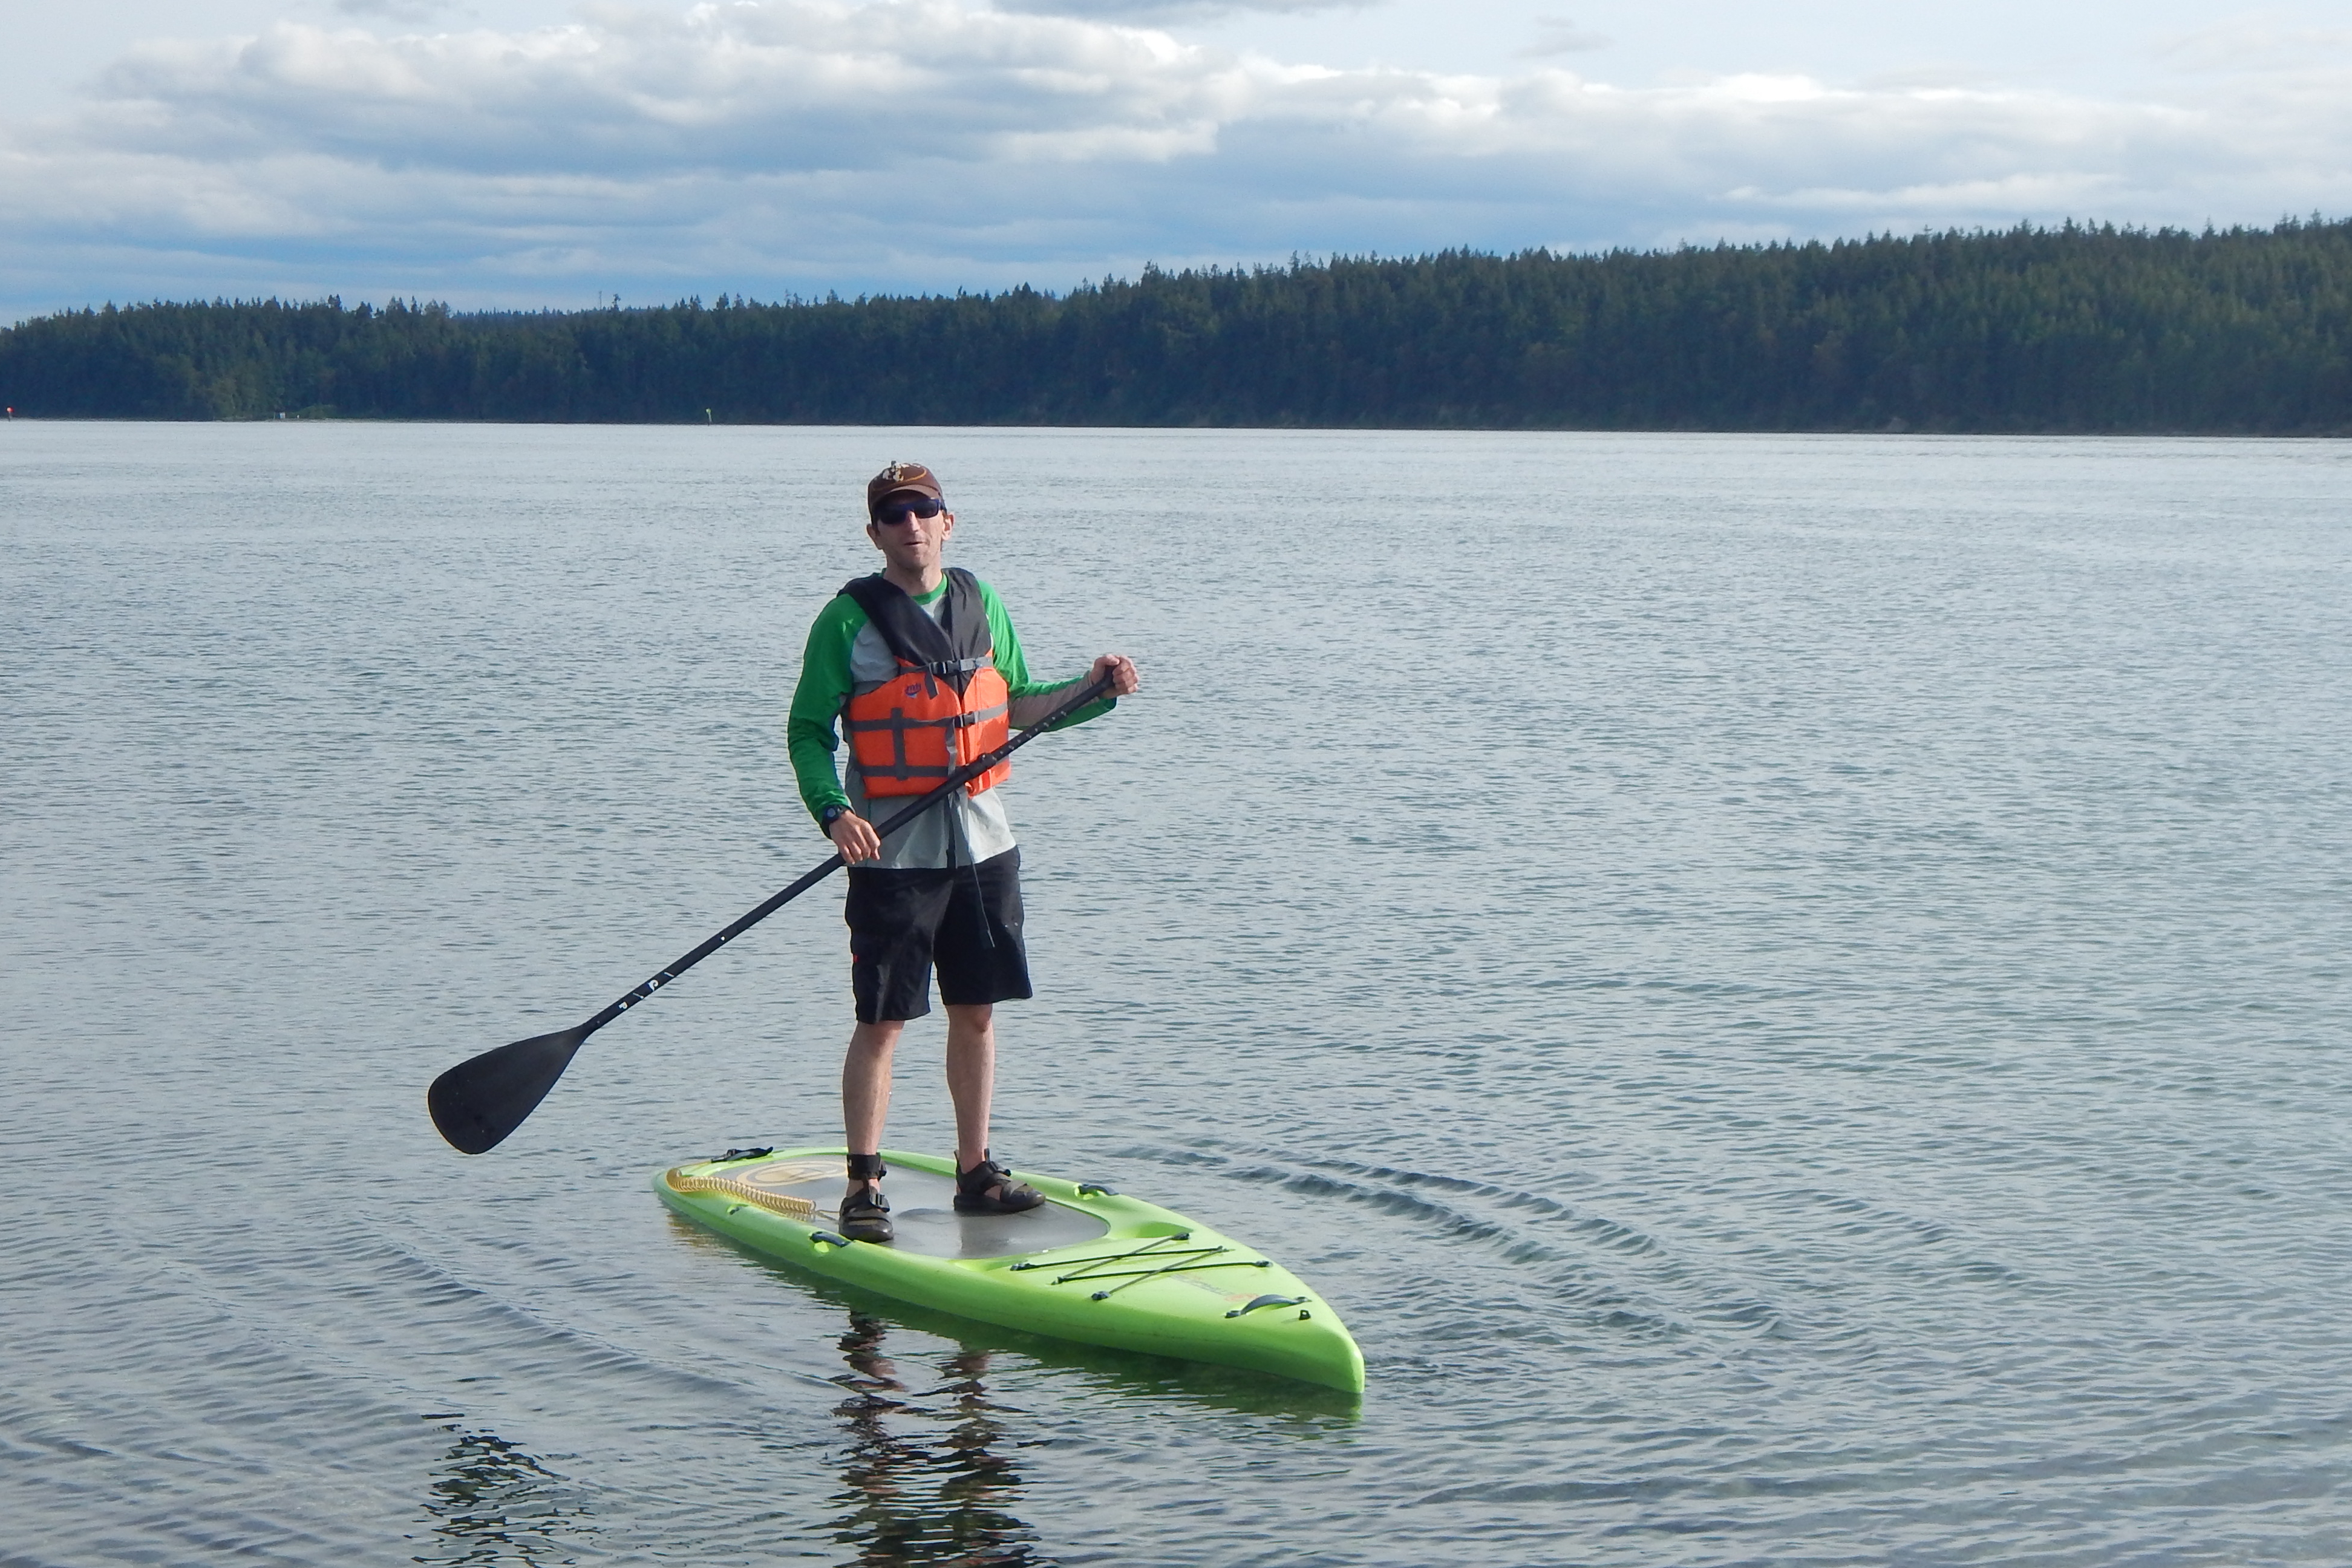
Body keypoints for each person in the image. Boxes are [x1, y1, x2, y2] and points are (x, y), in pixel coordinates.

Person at [786, 462, 1140, 1243]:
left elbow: (1017, 705)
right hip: (891, 855)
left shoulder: (982, 606)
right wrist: (834, 812)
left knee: (976, 1014)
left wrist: (1094, 692)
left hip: (983, 846)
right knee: (884, 1020)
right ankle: (864, 1183)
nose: (911, 524)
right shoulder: (845, 623)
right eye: (894, 514)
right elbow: (809, 731)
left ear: (950, 522)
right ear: (874, 532)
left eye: (925, 510)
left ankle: (975, 1171)